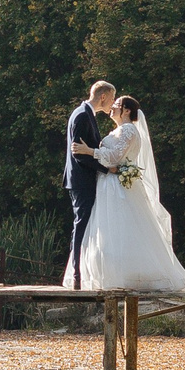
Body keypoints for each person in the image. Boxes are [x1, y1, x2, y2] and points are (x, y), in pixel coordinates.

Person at [70, 94, 185, 292]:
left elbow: (114, 157)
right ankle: (111, 274)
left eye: (117, 105)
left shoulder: (129, 130)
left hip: (117, 187)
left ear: (127, 110)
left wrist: (89, 151)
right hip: (108, 184)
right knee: (109, 230)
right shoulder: (118, 130)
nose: (112, 108)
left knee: (123, 228)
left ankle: (132, 276)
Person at [62, 81, 117, 287]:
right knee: (81, 226)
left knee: (84, 225)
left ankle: (80, 273)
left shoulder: (84, 113)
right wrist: (107, 169)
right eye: (112, 97)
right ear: (103, 96)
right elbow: (78, 153)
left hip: (82, 180)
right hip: (81, 180)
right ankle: (77, 275)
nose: (112, 103)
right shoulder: (82, 115)